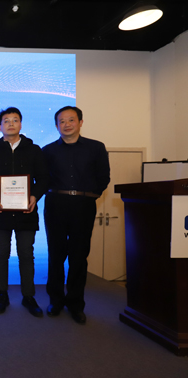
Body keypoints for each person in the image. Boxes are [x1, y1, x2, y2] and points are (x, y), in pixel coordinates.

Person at [0, 107, 49, 317]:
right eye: (6, 120)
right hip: (1, 212)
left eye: (15, 120)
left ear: (21, 124)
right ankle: (2, 294)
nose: (10, 124)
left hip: (26, 212)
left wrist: (34, 196)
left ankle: (29, 296)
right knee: (2, 254)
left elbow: (44, 178)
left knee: (26, 254)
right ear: (0, 126)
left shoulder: (34, 150)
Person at [42, 106, 110, 325]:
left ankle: (75, 304)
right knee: (56, 255)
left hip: (84, 206)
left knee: (79, 257)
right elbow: (41, 179)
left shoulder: (96, 148)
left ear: (80, 122)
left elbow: (104, 177)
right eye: (62, 121)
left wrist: (89, 195)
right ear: (56, 126)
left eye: (71, 120)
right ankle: (55, 301)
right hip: (56, 204)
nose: (67, 124)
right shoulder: (47, 151)